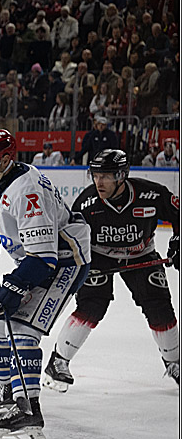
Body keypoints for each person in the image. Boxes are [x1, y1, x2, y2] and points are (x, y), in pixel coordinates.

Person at [0, 130, 91, 439]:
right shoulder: (2, 177)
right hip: (39, 259)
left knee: (23, 329)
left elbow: (43, 260)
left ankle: (28, 413)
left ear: (5, 159)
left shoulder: (27, 191)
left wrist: (15, 286)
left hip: (63, 262)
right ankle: (9, 390)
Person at [44, 150, 179, 389]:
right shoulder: (86, 203)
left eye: (105, 176)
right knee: (92, 304)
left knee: (159, 305)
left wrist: (178, 242)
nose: (99, 182)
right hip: (99, 256)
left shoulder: (152, 194)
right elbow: (71, 237)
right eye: (96, 175)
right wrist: (74, 265)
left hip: (141, 254)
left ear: (121, 175)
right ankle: (58, 361)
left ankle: (175, 363)